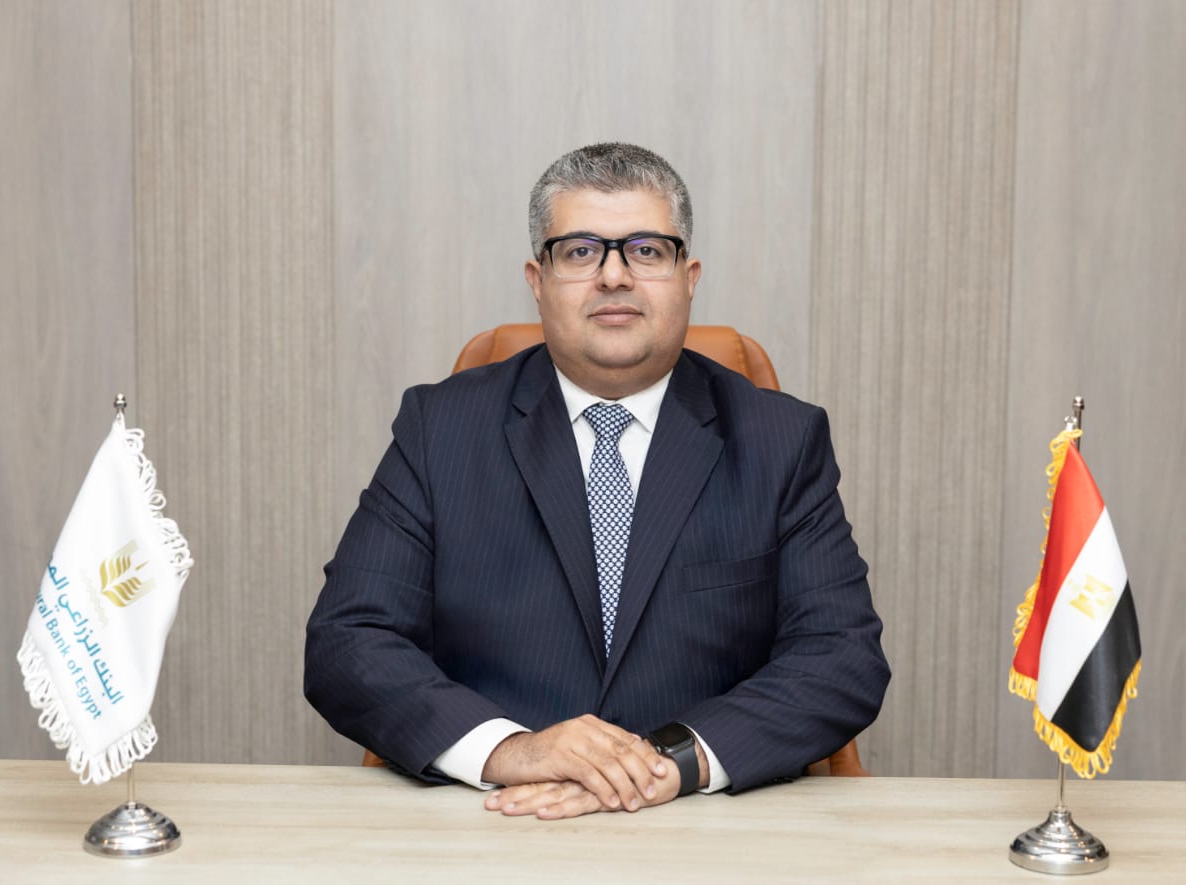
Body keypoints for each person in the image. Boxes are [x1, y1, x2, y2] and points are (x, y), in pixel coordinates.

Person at [305, 143, 889, 820]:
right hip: (493, 820)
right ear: (538, 279)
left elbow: (840, 657)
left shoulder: (781, 439)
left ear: (689, 277)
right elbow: (349, 639)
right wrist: (512, 750)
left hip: (705, 825)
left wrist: (669, 762)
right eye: (581, 251)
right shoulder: (441, 430)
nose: (614, 275)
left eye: (647, 250)